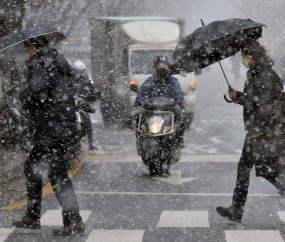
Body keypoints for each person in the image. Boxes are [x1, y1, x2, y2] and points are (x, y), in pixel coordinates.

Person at [12, 36, 85, 236]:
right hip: (63, 126)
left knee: (57, 174)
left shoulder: (38, 64)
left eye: (27, 49)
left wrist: (23, 95)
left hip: (51, 128)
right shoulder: (58, 60)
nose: (26, 53)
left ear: (33, 48)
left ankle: (70, 221)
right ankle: (37, 216)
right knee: (35, 168)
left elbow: (38, 94)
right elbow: (58, 91)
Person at [216, 40, 285, 223]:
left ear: (251, 56)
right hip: (264, 129)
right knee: (249, 168)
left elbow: (268, 106)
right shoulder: (257, 73)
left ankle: (236, 209)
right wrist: (237, 95)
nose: (243, 59)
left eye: (244, 56)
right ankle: (236, 209)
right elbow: (254, 100)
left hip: (265, 130)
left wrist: (258, 129)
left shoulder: (264, 75)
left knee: (269, 171)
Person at [136, 56, 185, 149]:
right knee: (138, 119)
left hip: (169, 110)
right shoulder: (151, 80)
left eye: (165, 66)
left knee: (180, 122)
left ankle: (178, 142)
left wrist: (179, 100)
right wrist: (139, 99)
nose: (162, 68)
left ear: (169, 67)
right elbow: (142, 91)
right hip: (152, 110)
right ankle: (141, 142)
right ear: (155, 67)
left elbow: (179, 93)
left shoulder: (173, 81)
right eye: (160, 66)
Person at [71, 60, 99, 154]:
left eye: (79, 71)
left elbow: (92, 91)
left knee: (87, 120)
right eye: (75, 71)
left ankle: (92, 143)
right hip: (69, 105)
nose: (77, 73)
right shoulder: (67, 80)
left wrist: (92, 95)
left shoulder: (86, 81)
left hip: (81, 105)